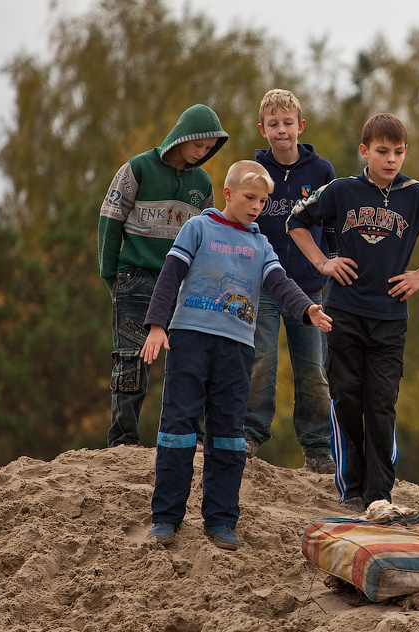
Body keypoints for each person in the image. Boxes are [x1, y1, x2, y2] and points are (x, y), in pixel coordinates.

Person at [140, 161, 333, 550]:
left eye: (263, 200)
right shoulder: (198, 227)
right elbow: (170, 275)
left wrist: (307, 310)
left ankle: (221, 520)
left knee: (228, 435)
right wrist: (157, 325)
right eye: (249, 197)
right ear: (227, 194)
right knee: (177, 429)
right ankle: (166, 518)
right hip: (190, 340)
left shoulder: (262, 244)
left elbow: (281, 284)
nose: (257, 206)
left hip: (237, 348)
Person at [287, 113, 419, 513]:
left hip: (391, 318)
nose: (392, 159)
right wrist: (323, 262)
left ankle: (380, 494)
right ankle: (352, 488)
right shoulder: (342, 190)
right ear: (365, 151)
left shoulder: (416, 194)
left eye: (399, 152)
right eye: (383, 151)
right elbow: (297, 220)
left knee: (381, 404)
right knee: (347, 399)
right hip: (343, 312)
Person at [98, 103, 228, 449]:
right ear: (182, 137)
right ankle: (123, 439)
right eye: (199, 145)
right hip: (135, 279)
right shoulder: (137, 168)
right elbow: (110, 220)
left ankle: (190, 436)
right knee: (131, 361)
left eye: (209, 148)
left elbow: (207, 237)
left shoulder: (203, 183)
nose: (204, 153)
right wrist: (111, 274)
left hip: (182, 287)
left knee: (191, 362)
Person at [244, 89, 336, 474]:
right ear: (262, 129)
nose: (281, 131)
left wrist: (330, 264)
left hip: (308, 287)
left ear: (300, 126)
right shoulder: (253, 170)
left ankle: (317, 448)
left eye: (287, 124)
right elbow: (241, 219)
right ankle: (249, 435)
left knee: (313, 368)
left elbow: (331, 225)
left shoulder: (321, 172)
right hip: (263, 284)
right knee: (261, 360)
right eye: (273, 125)